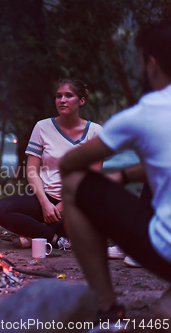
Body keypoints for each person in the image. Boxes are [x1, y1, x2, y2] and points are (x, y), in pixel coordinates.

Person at [60, 20, 171, 323]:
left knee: (74, 184)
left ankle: (107, 312)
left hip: (166, 252)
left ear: (150, 64)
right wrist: (122, 176)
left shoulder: (146, 112)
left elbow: (69, 164)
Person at [0, 78, 102, 250]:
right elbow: (32, 171)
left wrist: (63, 206)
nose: (62, 100)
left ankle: (31, 232)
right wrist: (45, 204)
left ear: (81, 101)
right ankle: (55, 239)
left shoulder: (95, 132)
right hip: (45, 197)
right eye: (59, 96)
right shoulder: (42, 127)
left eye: (68, 96)